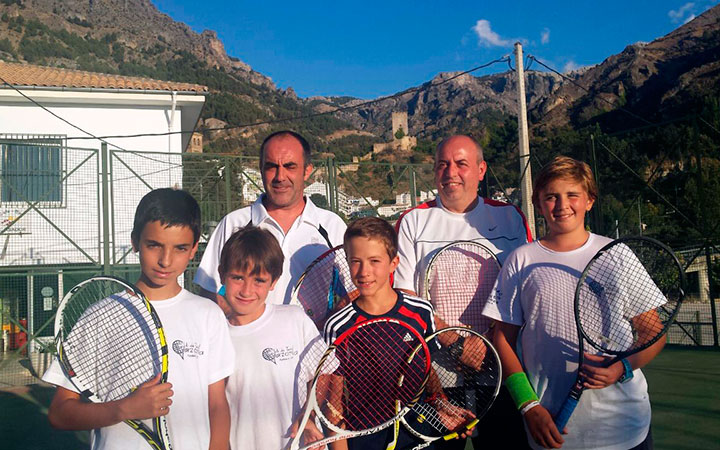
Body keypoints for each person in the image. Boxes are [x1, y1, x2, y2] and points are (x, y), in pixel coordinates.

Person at [483, 156, 663, 449]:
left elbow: (653, 332)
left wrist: (621, 369)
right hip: (551, 429)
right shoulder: (521, 259)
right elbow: (502, 338)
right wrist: (528, 405)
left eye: (572, 195)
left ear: (589, 200)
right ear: (539, 205)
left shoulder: (617, 255)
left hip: (625, 427)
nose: (561, 204)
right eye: (551, 196)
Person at [43, 188, 235, 450]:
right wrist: (124, 408)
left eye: (179, 248)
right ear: (135, 242)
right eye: (154, 245)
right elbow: (60, 413)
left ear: (193, 251)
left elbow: (217, 404)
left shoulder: (208, 315)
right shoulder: (100, 316)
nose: (165, 261)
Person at [394, 134, 531, 449]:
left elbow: (521, 289)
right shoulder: (413, 221)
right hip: (435, 381)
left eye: (461, 164)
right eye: (442, 164)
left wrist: (489, 342)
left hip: (502, 372)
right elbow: (405, 300)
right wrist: (454, 341)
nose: (450, 172)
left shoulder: (510, 217)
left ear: (481, 170)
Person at [322, 217, 438, 450]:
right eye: (356, 261)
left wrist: (442, 404)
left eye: (375, 261)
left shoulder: (421, 312)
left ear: (394, 263)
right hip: (363, 442)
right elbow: (333, 408)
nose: (364, 272)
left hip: (419, 437)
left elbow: (428, 369)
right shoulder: (338, 326)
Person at [195, 130, 346, 307]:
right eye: (271, 166)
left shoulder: (332, 226)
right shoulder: (233, 223)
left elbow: (357, 291)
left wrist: (331, 321)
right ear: (261, 170)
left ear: (307, 171)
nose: (280, 177)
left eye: (290, 166)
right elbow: (208, 292)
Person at [218, 226, 325, 450]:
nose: (246, 291)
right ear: (221, 275)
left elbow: (324, 375)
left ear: (274, 281)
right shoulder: (214, 335)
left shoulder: (295, 320)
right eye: (237, 277)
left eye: (259, 280)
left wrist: (309, 415)